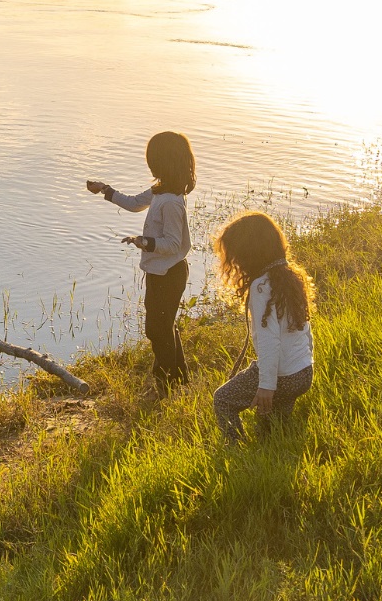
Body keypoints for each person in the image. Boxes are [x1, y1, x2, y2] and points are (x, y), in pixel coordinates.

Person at [85, 131, 196, 391]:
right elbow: (135, 204)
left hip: (170, 272)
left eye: (152, 159)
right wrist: (105, 190)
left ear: (161, 162)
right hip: (159, 272)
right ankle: (179, 378)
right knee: (161, 326)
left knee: (157, 329)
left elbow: (173, 244)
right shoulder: (160, 191)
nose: (149, 164)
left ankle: (166, 381)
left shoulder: (171, 202)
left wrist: (144, 241)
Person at [209, 210, 315, 443]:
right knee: (271, 428)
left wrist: (267, 386)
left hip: (283, 376)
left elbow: (269, 342)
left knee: (223, 400)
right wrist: (307, 362)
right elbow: (305, 329)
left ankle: (236, 452)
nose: (235, 262)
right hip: (303, 373)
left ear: (249, 254)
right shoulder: (291, 277)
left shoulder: (261, 287)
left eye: (236, 256)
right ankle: (274, 444)